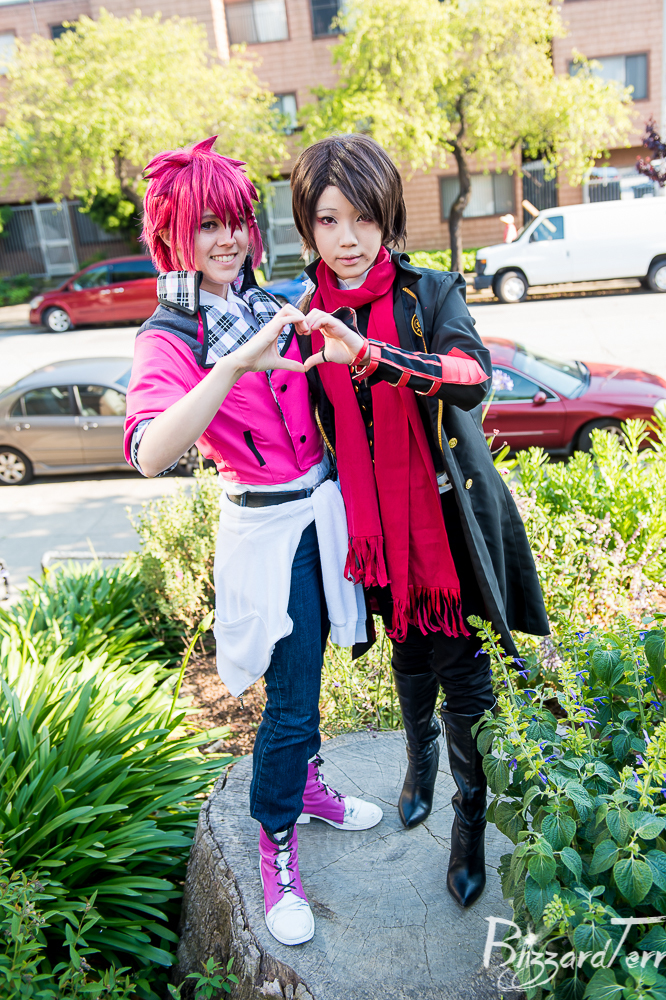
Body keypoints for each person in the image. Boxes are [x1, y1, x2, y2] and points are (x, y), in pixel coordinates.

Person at [123, 136, 383, 948]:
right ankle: (276, 842)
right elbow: (148, 451)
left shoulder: (271, 302)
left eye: (235, 220)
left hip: (320, 512)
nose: (228, 238)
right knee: (292, 699)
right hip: (267, 530)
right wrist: (231, 366)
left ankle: (304, 787)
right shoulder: (169, 335)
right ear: (173, 233)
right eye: (207, 224)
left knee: (314, 673)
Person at [289, 133, 550, 908]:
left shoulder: (428, 292)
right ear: (307, 224)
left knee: (464, 675)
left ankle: (467, 818)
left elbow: (472, 378)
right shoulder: (301, 313)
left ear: (388, 216)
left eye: (363, 218)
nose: (347, 238)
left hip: (444, 524)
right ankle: (419, 756)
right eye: (329, 220)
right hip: (371, 528)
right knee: (407, 649)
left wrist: (373, 355)